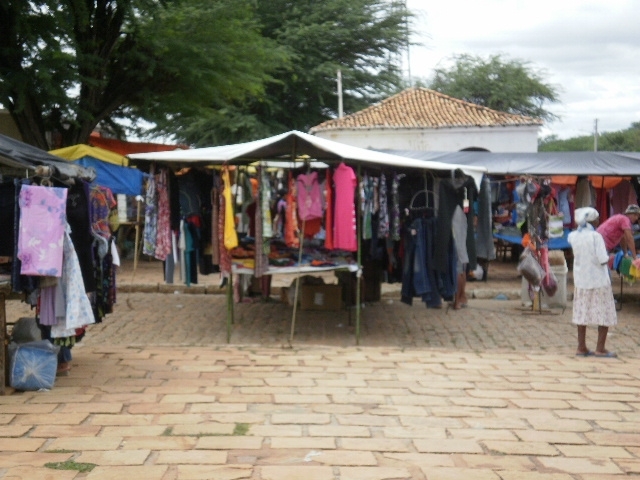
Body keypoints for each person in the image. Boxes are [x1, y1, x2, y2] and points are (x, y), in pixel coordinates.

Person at [567, 207, 618, 358]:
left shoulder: (573, 236)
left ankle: (581, 347)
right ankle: (600, 348)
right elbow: (603, 259)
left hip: (581, 279)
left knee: (582, 313)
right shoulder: (596, 236)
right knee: (604, 313)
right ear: (592, 220)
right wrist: (612, 257)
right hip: (598, 280)